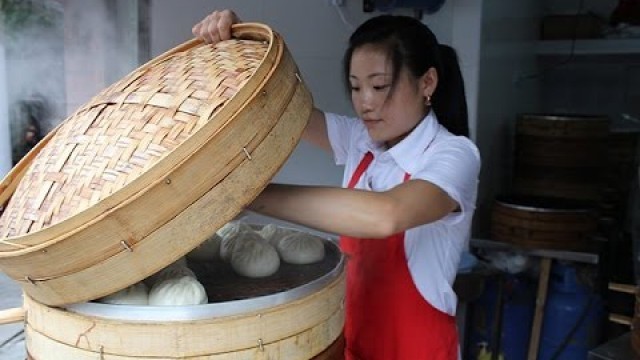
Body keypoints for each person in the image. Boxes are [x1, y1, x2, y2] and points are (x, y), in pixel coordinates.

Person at [193, 9, 480, 360]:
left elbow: (386, 215)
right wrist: (238, 50)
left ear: (427, 83)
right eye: (356, 87)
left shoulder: (455, 155)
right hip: (354, 343)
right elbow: (283, 108)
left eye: (379, 86)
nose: (365, 103)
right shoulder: (362, 140)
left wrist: (247, 195)